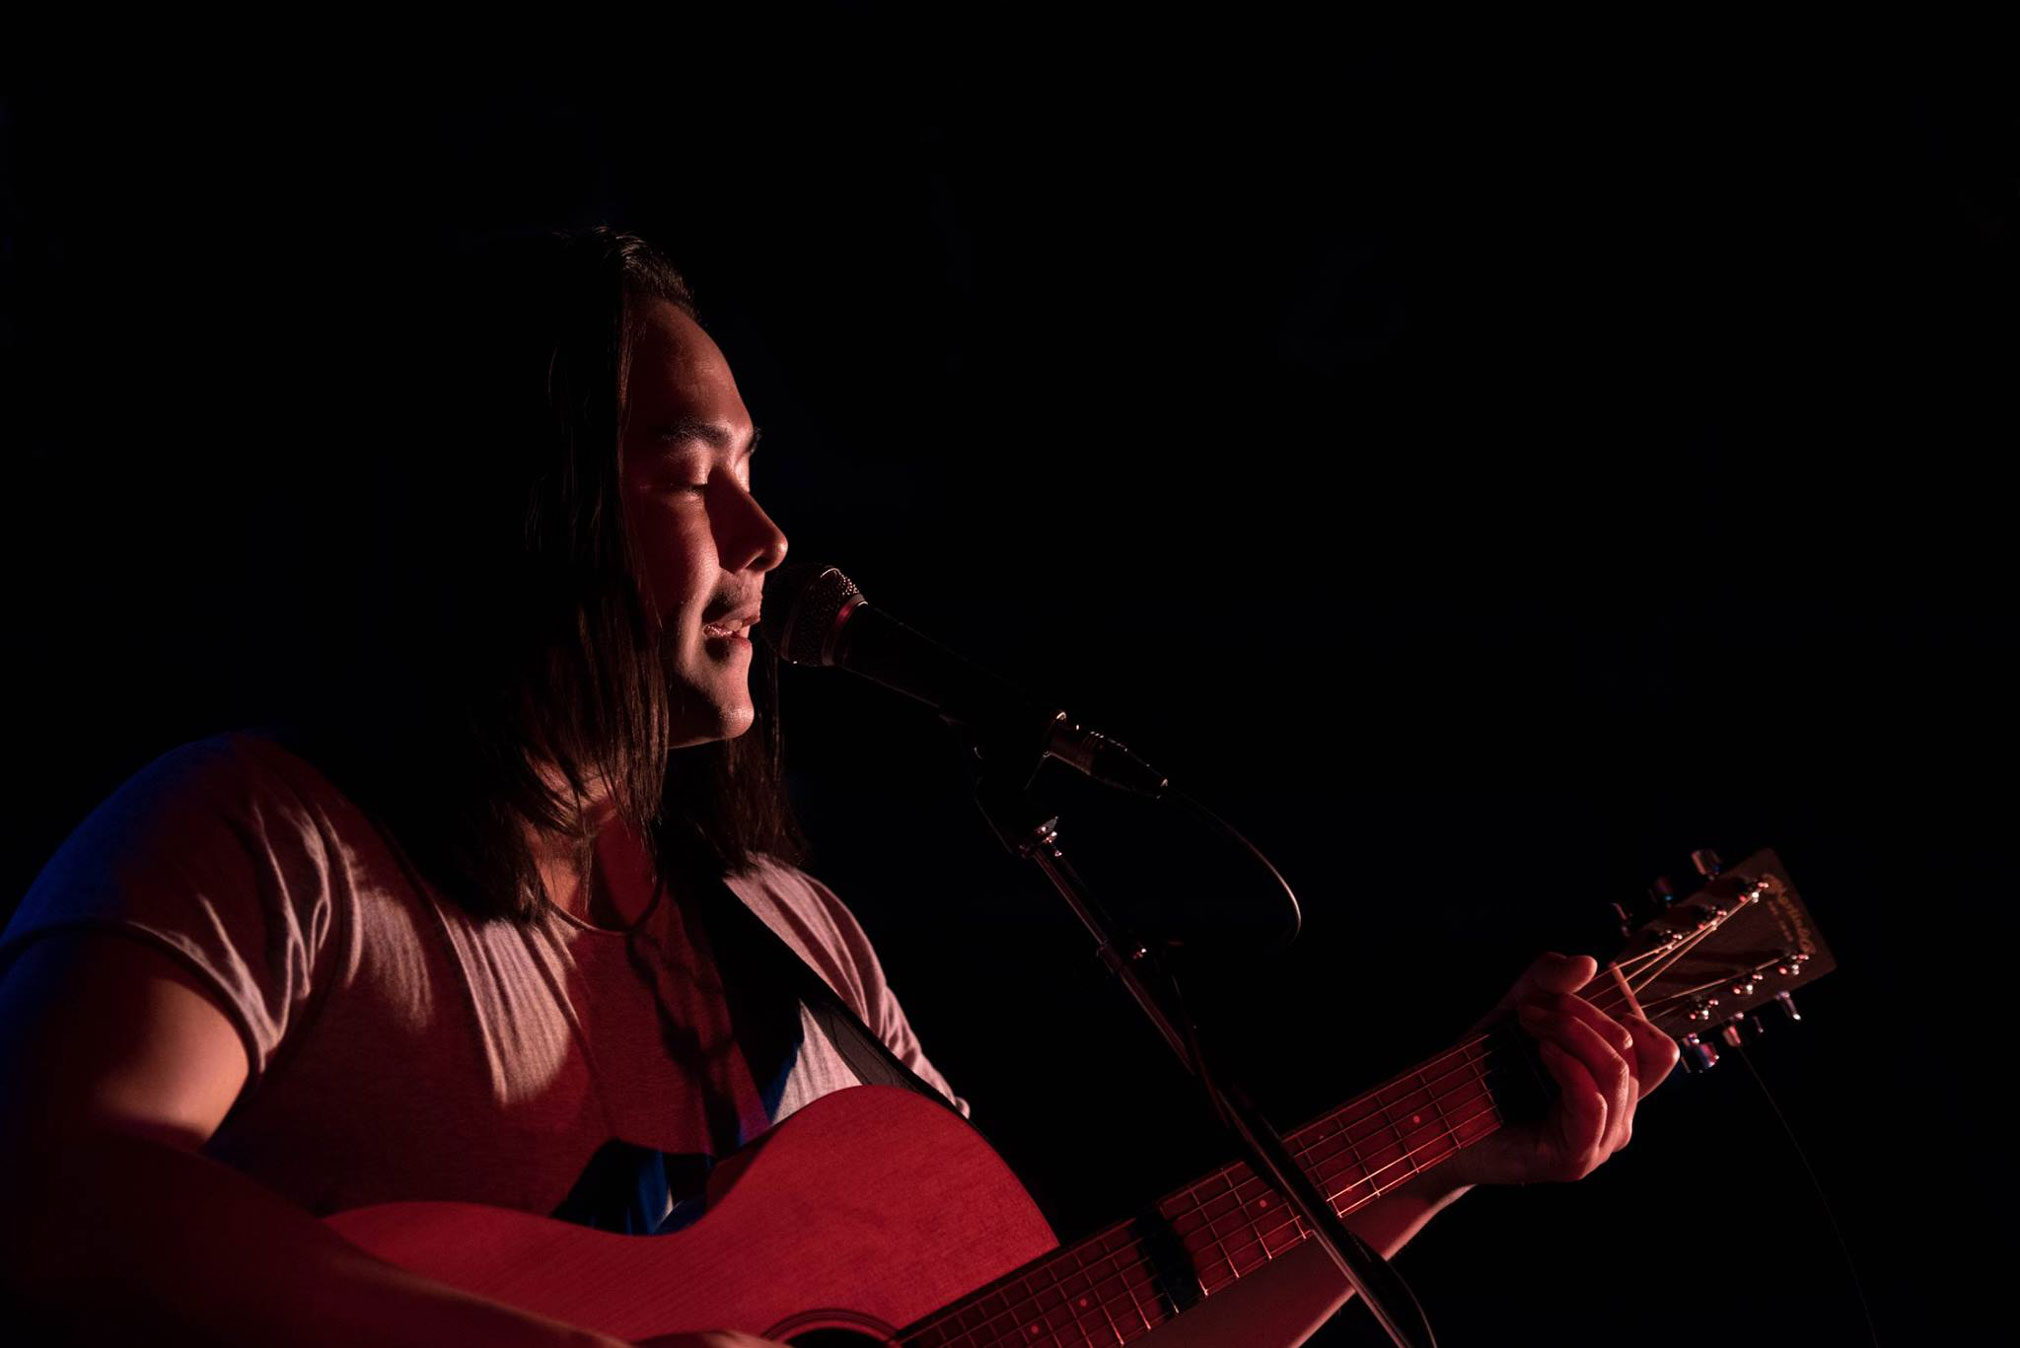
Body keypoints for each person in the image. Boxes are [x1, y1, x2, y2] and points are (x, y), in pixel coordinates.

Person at [0, 227, 1678, 1347]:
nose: (767, 538)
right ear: (528, 514)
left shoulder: (800, 945)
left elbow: (1074, 1324)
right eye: (692, 473)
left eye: (759, 473)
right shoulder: (252, 842)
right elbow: (60, 1206)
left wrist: (1453, 1152)